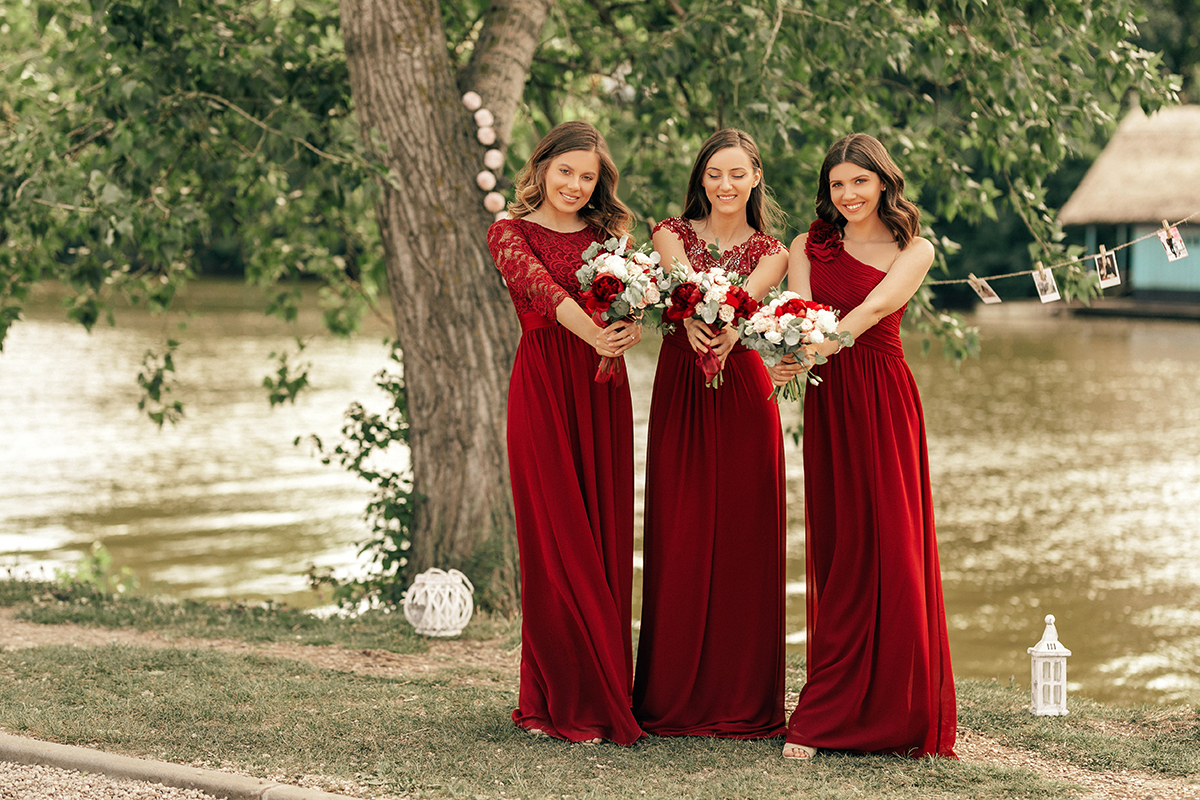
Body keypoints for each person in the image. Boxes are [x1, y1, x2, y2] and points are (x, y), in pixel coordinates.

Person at [771, 133, 957, 760]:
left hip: (882, 396)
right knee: (844, 545)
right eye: (837, 185)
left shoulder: (916, 248)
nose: (848, 194)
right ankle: (829, 706)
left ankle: (901, 710)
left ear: (883, 182)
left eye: (860, 181)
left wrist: (817, 346)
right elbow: (795, 308)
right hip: (829, 401)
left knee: (892, 542)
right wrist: (786, 352)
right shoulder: (806, 245)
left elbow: (878, 305)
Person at [486, 120, 644, 746]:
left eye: (587, 176)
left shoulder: (613, 236)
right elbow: (541, 292)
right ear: (542, 167)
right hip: (546, 386)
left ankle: (608, 688)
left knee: (602, 535)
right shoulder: (509, 231)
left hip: (603, 387)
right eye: (565, 171)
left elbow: (630, 303)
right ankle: (562, 699)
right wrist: (599, 332)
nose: (575, 185)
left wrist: (627, 328)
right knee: (555, 536)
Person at [632, 129, 789, 738]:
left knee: (745, 535)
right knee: (681, 527)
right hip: (681, 385)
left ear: (755, 179)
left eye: (737, 174)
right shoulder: (669, 232)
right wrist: (697, 323)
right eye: (714, 174)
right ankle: (672, 695)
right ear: (701, 178)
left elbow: (743, 308)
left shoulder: (773, 250)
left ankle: (744, 696)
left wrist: (724, 329)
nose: (725, 185)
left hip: (743, 388)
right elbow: (686, 296)